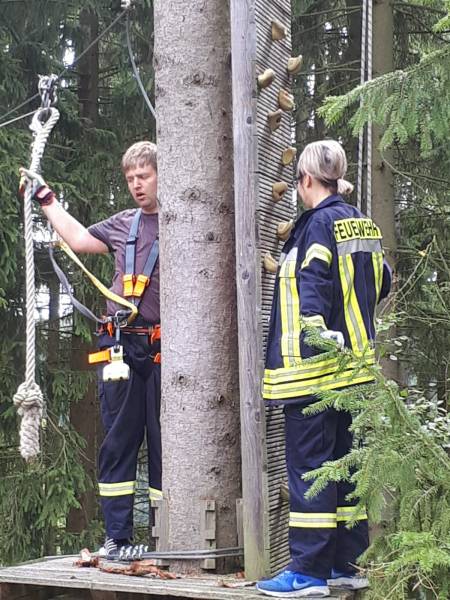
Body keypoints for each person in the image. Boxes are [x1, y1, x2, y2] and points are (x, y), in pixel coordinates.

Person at [256, 140, 392, 597]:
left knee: (312, 471)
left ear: (306, 180)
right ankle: (345, 565)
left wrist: (317, 332)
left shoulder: (315, 225)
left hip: (314, 375)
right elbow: (383, 280)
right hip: (355, 373)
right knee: (345, 469)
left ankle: (308, 572)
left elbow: (312, 282)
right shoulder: (362, 223)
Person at [20, 141, 162, 558]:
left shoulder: (184, 222)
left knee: (163, 441)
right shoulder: (124, 224)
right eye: (131, 178)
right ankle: (117, 537)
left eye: (144, 176)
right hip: (120, 346)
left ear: (161, 174)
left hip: (165, 349)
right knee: (118, 441)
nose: (137, 185)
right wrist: (45, 199)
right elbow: (80, 238)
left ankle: (162, 535)